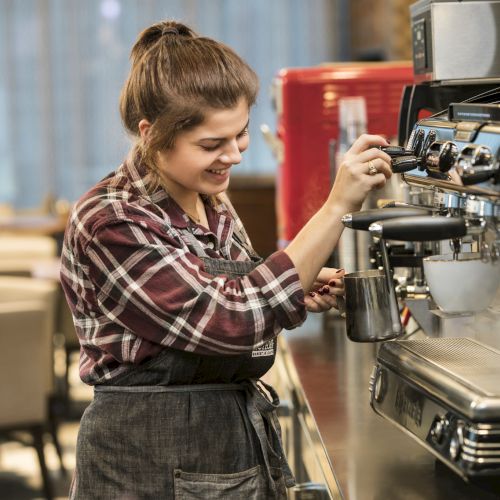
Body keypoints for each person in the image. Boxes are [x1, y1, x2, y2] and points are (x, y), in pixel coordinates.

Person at [60, 20, 392, 500]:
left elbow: (235, 288)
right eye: (211, 145)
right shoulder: (112, 218)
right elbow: (229, 317)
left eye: (238, 136)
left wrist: (300, 282)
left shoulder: (207, 196)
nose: (233, 156)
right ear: (151, 135)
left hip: (224, 445)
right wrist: (337, 207)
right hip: (145, 457)